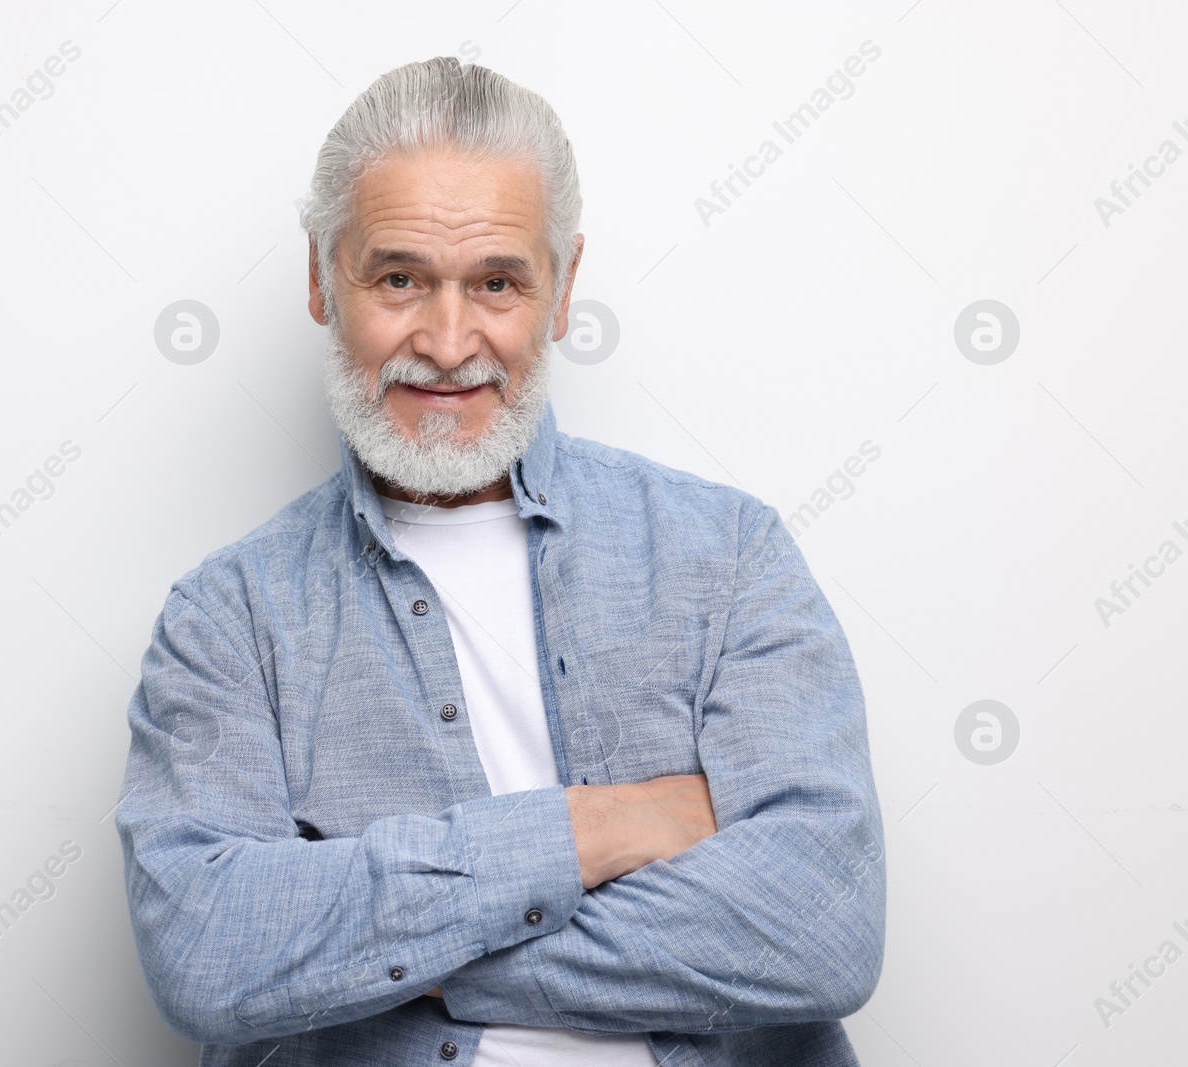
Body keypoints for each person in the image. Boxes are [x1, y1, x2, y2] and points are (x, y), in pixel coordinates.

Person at [115, 56, 885, 1066]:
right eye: (398, 278)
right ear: (318, 280)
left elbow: (822, 930)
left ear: (561, 290)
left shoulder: (729, 555)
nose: (445, 339)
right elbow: (210, 952)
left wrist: (377, 949)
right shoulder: (228, 617)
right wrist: (593, 828)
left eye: (496, 282)